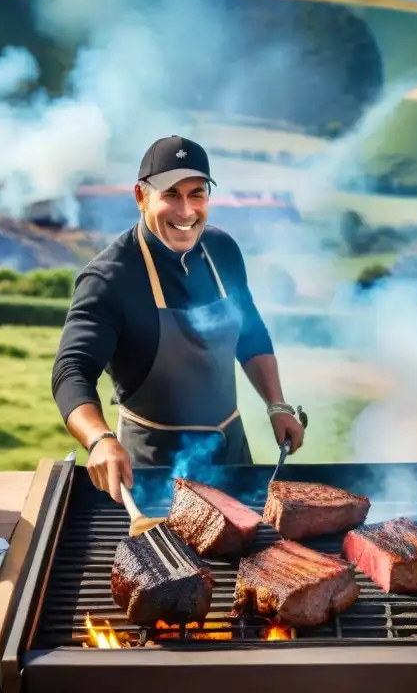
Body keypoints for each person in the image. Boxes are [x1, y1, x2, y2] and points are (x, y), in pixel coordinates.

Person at [51, 135, 306, 502]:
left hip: (231, 455)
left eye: (196, 194)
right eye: (171, 194)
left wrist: (276, 404)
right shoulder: (108, 278)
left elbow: (250, 334)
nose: (186, 212)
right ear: (141, 197)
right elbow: (71, 371)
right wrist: (100, 439)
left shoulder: (223, 251)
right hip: (153, 471)